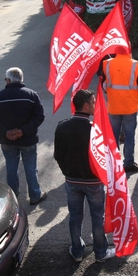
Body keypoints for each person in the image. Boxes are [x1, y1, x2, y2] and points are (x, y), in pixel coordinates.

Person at [54, 89, 115, 263]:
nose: (96, 106)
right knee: (97, 217)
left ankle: (77, 251)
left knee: (75, 216)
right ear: (86, 105)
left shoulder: (62, 126)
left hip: (72, 180)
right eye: (94, 102)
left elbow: (57, 154)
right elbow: (105, 157)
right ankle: (100, 253)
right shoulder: (95, 130)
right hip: (94, 182)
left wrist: (67, 171)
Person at [0, 67, 47, 205]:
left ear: (8, 80)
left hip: (7, 140)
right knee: (31, 167)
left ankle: (13, 196)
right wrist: (23, 131)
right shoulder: (31, 95)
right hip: (28, 139)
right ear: (21, 79)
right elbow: (39, 116)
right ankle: (35, 195)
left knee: (11, 168)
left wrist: (6, 131)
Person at [98, 52, 138, 173]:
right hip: (129, 107)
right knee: (129, 135)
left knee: (113, 135)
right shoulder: (136, 65)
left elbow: (101, 81)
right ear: (129, 50)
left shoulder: (107, 64)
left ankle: (114, 163)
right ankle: (128, 163)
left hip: (113, 106)